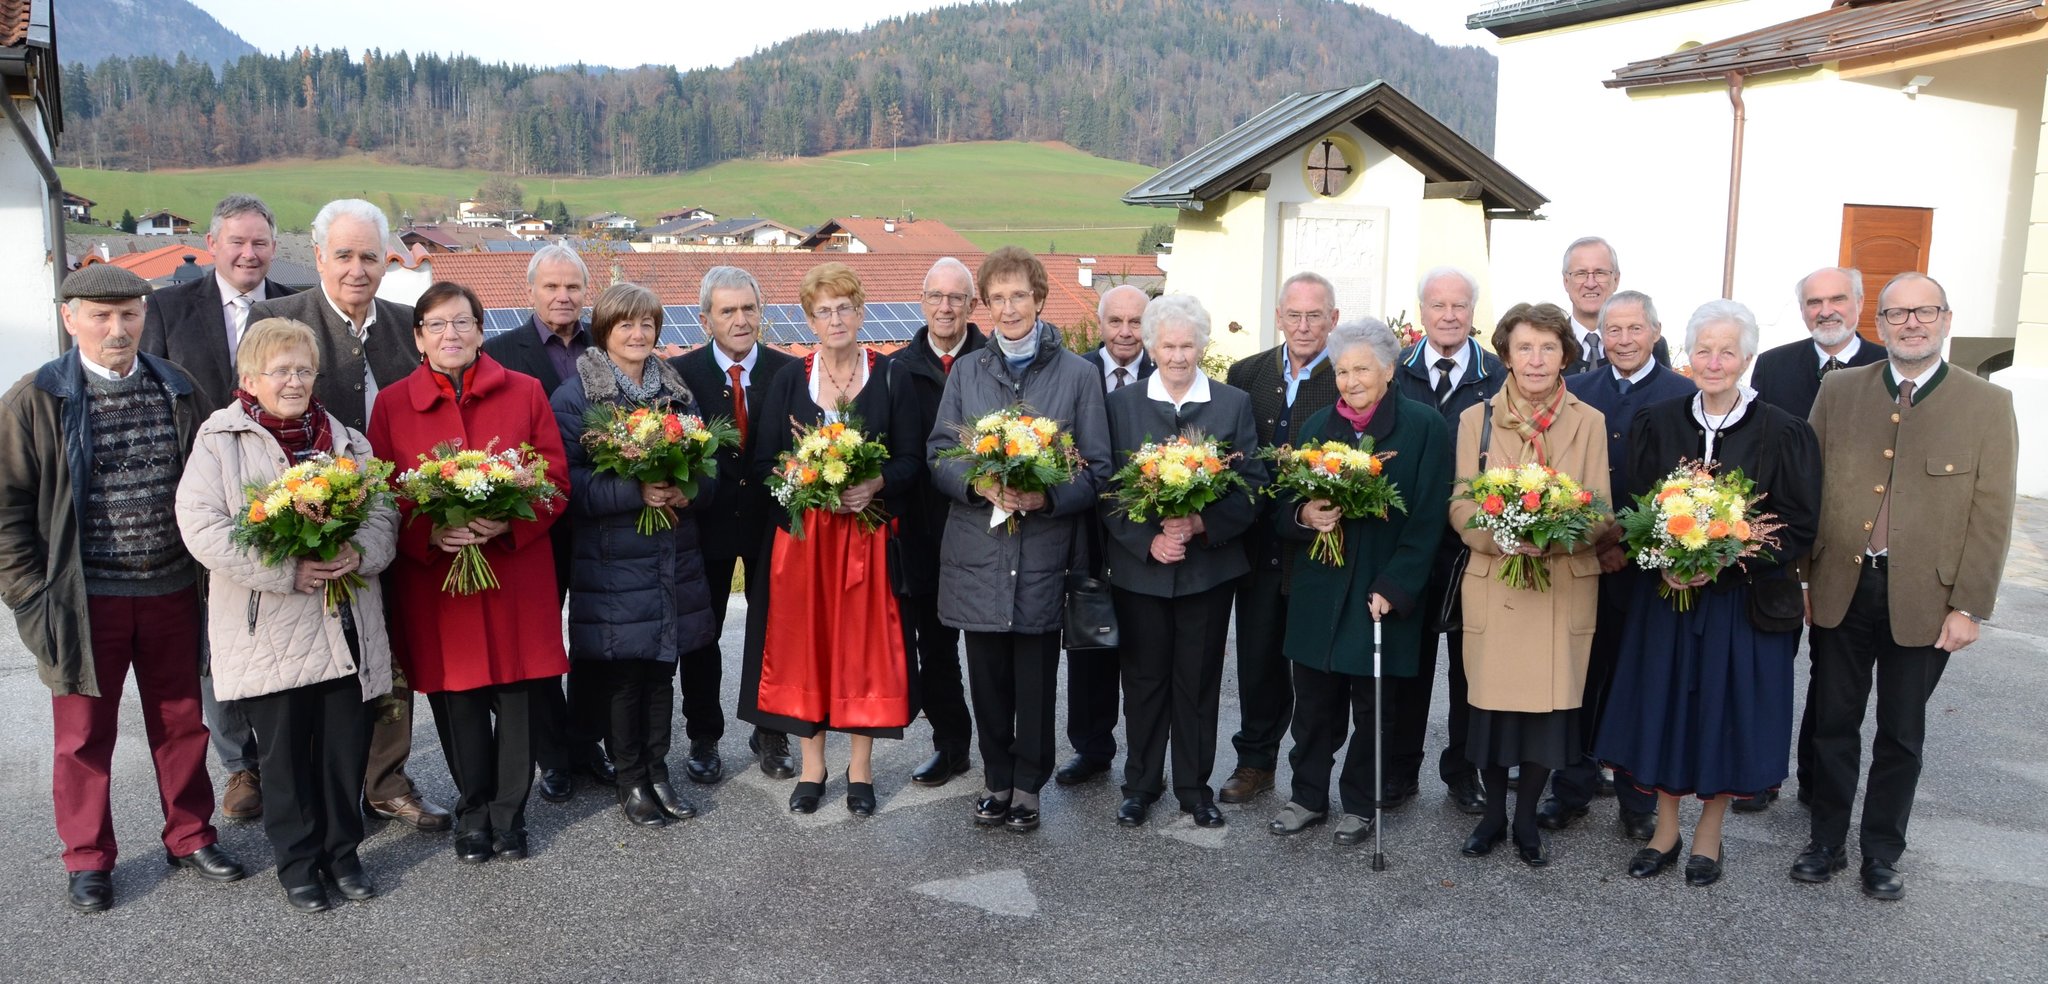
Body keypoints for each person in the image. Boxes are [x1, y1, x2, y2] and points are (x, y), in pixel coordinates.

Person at [0, 264, 246, 912]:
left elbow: (215, 483)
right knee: (82, 736)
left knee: (181, 723)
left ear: (143, 317)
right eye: (102, 315)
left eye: (129, 314)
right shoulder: (35, 400)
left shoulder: (177, 387)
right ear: (70, 318)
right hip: (84, 602)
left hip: (170, 589)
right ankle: (88, 858)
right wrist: (29, 597)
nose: (117, 328)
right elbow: (7, 508)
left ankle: (189, 835)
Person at [1793, 272, 2016, 901]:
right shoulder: (1840, 391)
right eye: (1897, 315)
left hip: (1926, 600)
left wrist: (1969, 605)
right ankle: (1826, 841)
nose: (1911, 323)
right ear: (1880, 323)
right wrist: (1804, 577)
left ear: (1946, 319)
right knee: (1832, 723)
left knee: (1900, 731)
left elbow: (1991, 513)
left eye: (1924, 312)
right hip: (1842, 586)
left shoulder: (1986, 405)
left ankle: (1882, 852)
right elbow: (1809, 491)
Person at [1594, 300, 1821, 887]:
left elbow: (1798, 524)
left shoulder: (1784, 430)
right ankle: (1665, 830)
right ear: (1688, 355)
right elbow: (1637, 508)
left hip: (1738, 607)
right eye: (1704, 350)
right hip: (1665, 599)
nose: (1714, 361)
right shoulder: (1658, 421)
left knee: (1724, 714)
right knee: (1664, 709)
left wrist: (1723, 561)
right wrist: (1663, 560)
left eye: (1727, 351)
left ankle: (1709, 836)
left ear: (1747, 358)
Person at [175, 317, 399, 912]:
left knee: (341, 749)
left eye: (304, 369)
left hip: (344, 619)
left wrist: (360, 552)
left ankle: (342, 853)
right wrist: (286, 570)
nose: (294, 380)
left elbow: (382, 513)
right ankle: (298, 864)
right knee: (284, 756)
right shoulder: (219, 440)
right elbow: (202, 528)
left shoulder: (346, 439)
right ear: (251, 377)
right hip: (269, 627)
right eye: (281, 370)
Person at [250, 198, 449, 832]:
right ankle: (319, 789)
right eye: (344, 255)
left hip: (390, 520)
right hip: (305, 525)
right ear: (317, 257)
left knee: (390, 654)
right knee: (321, 667)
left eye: (370, 256)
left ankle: (385, 779)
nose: (357, 269)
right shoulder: (278, 316)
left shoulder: (404, 325)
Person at [367, 282, 571, 862]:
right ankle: (473, 809)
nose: (450, 335)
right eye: (436, 325)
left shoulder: (526, 392)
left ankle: (509, 816)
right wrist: (427, 532)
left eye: (462, 323)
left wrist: (508, 525)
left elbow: (555, 482)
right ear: (418, 338)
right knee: (457, 699)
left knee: (516, 694)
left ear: (481, 330)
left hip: (513, 574)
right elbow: (383, 494)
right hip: (439, 581)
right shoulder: (391, 404)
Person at [928, 246, 1112, 833]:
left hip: (1043, 549)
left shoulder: (1079, 375)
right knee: (987, 676)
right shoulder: (966, 372)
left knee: (1034, 676)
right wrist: (978, 484)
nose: (1009, 308)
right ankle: (996, 779)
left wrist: (1047, 496)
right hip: (978, 553)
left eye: (1020, 296)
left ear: (1039, 299)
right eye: (998, 298)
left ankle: (1028, 785)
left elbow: (1099, 469)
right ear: (988, 304)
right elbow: (938, 453)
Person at [740, 263, 924, 815]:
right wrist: (807, 482)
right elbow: (767, 460)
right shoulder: (789, 381)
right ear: (810, 320)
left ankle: (860, 770)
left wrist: (875, 482)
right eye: (824, 310)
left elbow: (913, 460)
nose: (836, 318)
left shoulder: (892, 377)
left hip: (867, 538)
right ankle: (814, 768)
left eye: (845, 307)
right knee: (805, 647)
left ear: (861, 312)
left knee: (862, 651)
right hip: (803, 541)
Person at [139, 192, 296, 823]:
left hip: (290, 498)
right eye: (236, 241)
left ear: (273, 248)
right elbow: (153, 397)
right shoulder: (170, 307)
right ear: (213, 245)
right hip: (202, 498)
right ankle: (240, 766)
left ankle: (289, 755)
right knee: (218, 638)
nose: (248, 253)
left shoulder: (292, 305)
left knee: (284, 626)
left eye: (259, 242)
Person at [1266, 317, 1452, 844]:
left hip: (1379, 593)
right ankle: (1306, 797)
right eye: (1342, 370)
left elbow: (1428, 518)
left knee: (1373, 707)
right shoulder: (1316, 427)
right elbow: (1281, 507)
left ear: (1389, 370)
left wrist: (1397, 584)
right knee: (1314, 704)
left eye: (1362, 369)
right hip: (1319, 590)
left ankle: (1359, 804)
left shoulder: (1422, 427)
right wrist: (1306, 515)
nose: (1351, 381)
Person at [1446, 301, 1612, 867]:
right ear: (1507, 355)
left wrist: (1554, 536)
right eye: (1524, 348)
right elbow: (1462, 502)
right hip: (1498, 580)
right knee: (1491, 709)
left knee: (1545, 711)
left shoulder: (1589, 421)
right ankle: (1492, 816)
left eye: (1548, 347)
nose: (1536, 360)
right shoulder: (1478, 419)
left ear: (1566, 353)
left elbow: (1603, 512)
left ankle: (1525, 822)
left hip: (1559, 582)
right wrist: (1501, 538)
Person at [551, 282, 717, 828]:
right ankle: (631, 781)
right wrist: (636, 492)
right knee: (626, 675)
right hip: (613, 562)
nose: (638, 333)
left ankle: (659, 770)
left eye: (647, 324)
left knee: (662, 669)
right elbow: (567, 486)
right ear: (604, 330)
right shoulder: (577, 397)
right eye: (626, 324)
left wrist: (686, 490)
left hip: (671, 555)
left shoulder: (677, 393)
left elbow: (709, 471)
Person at [1097, 294, 1266, 829]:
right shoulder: (1120, 407)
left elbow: (1254, 488)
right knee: (1143, 682)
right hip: (1141, 571)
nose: (1176, 356)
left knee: (1197, 683)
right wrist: (1147, 540)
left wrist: (1199, 525)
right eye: (1167, 345)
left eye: (1187, 345)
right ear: (1150, 345)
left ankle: (1195, 788)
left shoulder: (1231, 404)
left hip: (1206, 574)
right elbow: (1107, 488)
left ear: (1202, 346)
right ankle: (1141, 784)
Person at [1544, 290, 1696, 842]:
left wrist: (1629, 545)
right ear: (1600, 336)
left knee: (1641, 683)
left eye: (1635, 329)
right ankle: (1571, 789)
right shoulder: (1576, 390)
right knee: (1579, 678)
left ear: (1656, 332)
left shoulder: (1684, 393)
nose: (1625, 340)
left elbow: (1683, 483)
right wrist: (1596, 541)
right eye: (1615, 330)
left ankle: (1638, 798)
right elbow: (1565, 478)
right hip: (1583, 563)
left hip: (1652, 570)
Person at [1740, 265, 1884, 814]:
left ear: (1859, 303)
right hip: (1780, 542)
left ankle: (1818, 780)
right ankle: (1760, 772)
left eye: (1837, 300)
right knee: (1769, 661)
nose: (1826, 310)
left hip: (1850, 546)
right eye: (1814, 302)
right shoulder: (1776, 365)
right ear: (1803, 309)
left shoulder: (1883, 367)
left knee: (1834, 675)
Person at [480, 243, 610, 803]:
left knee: (597, 642)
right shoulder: (501, 353)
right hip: (532, 526)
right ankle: (552, 754)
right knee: (536, 646)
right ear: (528, 292)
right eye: (551, 287)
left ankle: (588, 743)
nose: (563, 296)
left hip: (601, 519)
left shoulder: (607, 349)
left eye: (573, 287)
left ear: (587, 292)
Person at [672, 266, 800, 783]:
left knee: (773, 631)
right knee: (701, 635)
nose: (740, 319)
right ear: (706, 319)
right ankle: (704, 735)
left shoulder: (789, 371)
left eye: (749, 308)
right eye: (728, 311)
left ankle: (770, 730)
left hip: (774, 524)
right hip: (706, 524)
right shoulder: (681, 374)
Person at [1217, 271, 1341, 805]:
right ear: (1278, 317)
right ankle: (1254, 761)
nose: (1304, 325)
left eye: (1316, 315)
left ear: (1333, 319)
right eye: (1294, 314)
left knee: (1315, 670)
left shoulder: (1347, 376)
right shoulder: (1247, 374)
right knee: (1259, 660)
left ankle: (1310, 772)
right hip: (1259, 547)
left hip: (1320, 549)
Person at [1387, 266, 1500, 817]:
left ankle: (1464, 772)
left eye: (1459, 306)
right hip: (1408, 544)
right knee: (1406, 666)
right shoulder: (1396, 370)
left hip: (1471, 547)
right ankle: (1399, 771)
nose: (1449, 315)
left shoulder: (1497, 375)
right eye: (1438, 305)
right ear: (1422, 311)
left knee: (1469, 668)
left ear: (1473, 312)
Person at [891, 257, 986, 787]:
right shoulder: (897, 368)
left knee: (994, 648)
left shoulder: (995, 363)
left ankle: (1003, 744)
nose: (945, 307)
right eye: (936, 297)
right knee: (935, 646)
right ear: (922, 301)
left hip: (988, 526)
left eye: (956, 298)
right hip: (924, 531)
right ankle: (951, 745)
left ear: (972, 305)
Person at [1058, 283, 1157, 787]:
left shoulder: (1167, 376)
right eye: (1115, 321)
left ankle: (1145, 760)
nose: (1124, 332)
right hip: (1087, 536)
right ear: (1099, 325)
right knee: (1089, 646)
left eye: (1135, 322)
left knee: (1142, 653)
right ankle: (1091, 749)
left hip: (1147, 539)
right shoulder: (1074, 373)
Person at [1558, 237, 1667, 374]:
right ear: (1566, 281)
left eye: (1600, 273)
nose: (1590, 284)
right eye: (1581, 274)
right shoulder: (1552, 343)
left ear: (1616, 279)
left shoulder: (1650, 344)